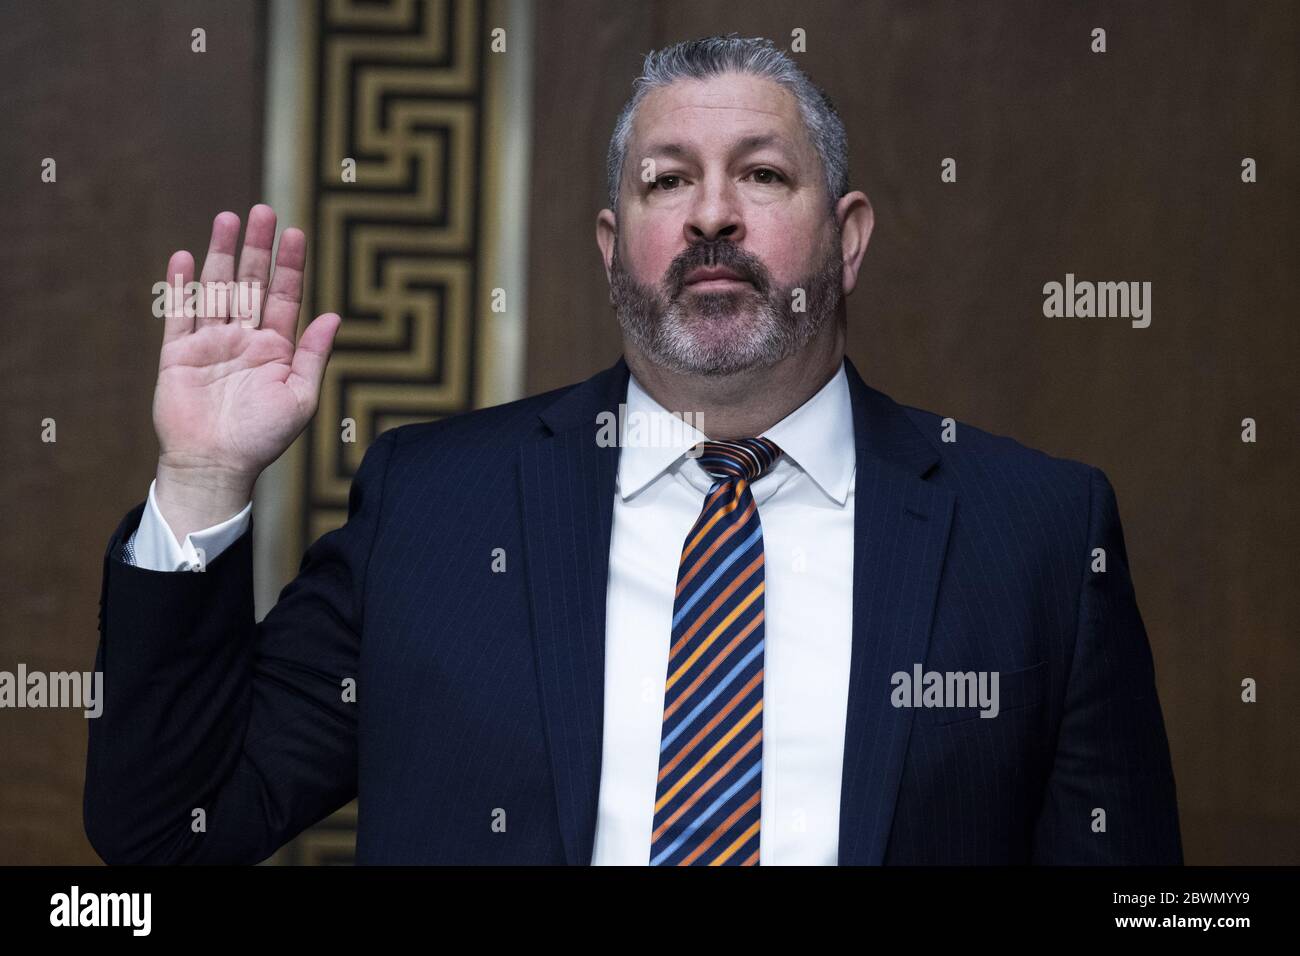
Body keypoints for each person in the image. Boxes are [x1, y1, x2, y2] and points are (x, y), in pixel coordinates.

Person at [85, 35, 1182, 865]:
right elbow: (168, 832)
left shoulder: (1037, 530)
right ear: (614, 249)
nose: (712, 214)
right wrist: (202, 477)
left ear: (846, 239)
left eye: (760, 174)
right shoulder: (435, 505)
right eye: (665, 179)